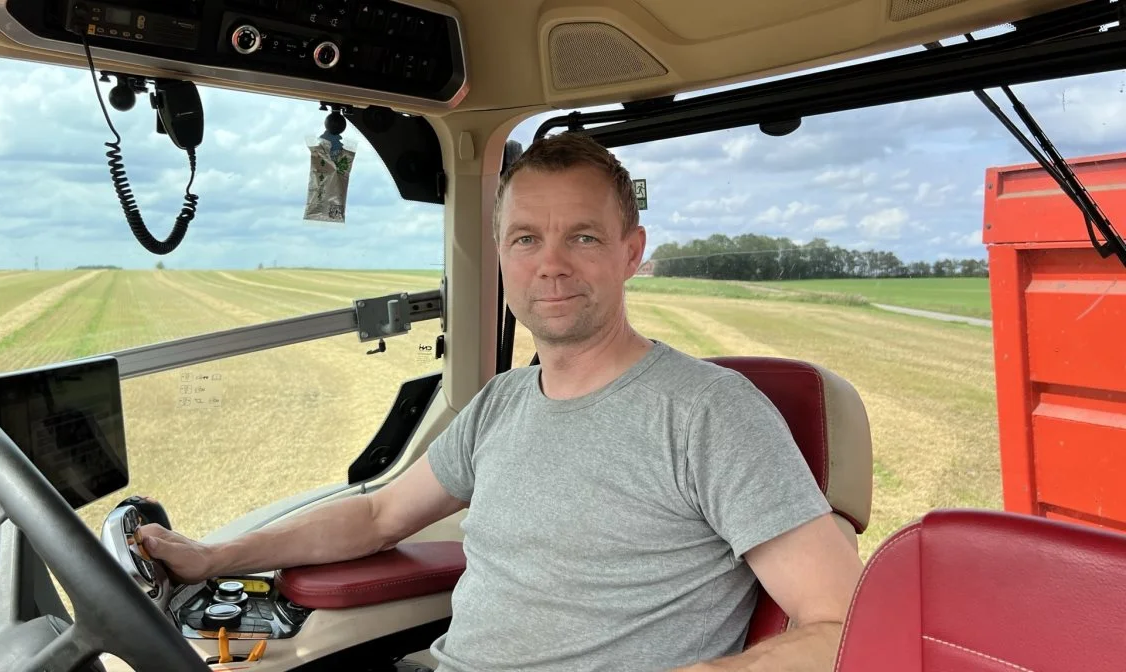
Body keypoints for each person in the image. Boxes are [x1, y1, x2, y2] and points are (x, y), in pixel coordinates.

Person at [137, 132, 864, 672]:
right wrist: (213, 556)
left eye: (582, 235)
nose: (550, 263)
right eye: (525, 239)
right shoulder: (500, 404)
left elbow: (840, 624)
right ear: (502, 256)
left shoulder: (709, 413)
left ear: (631, 252)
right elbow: (377, 515)